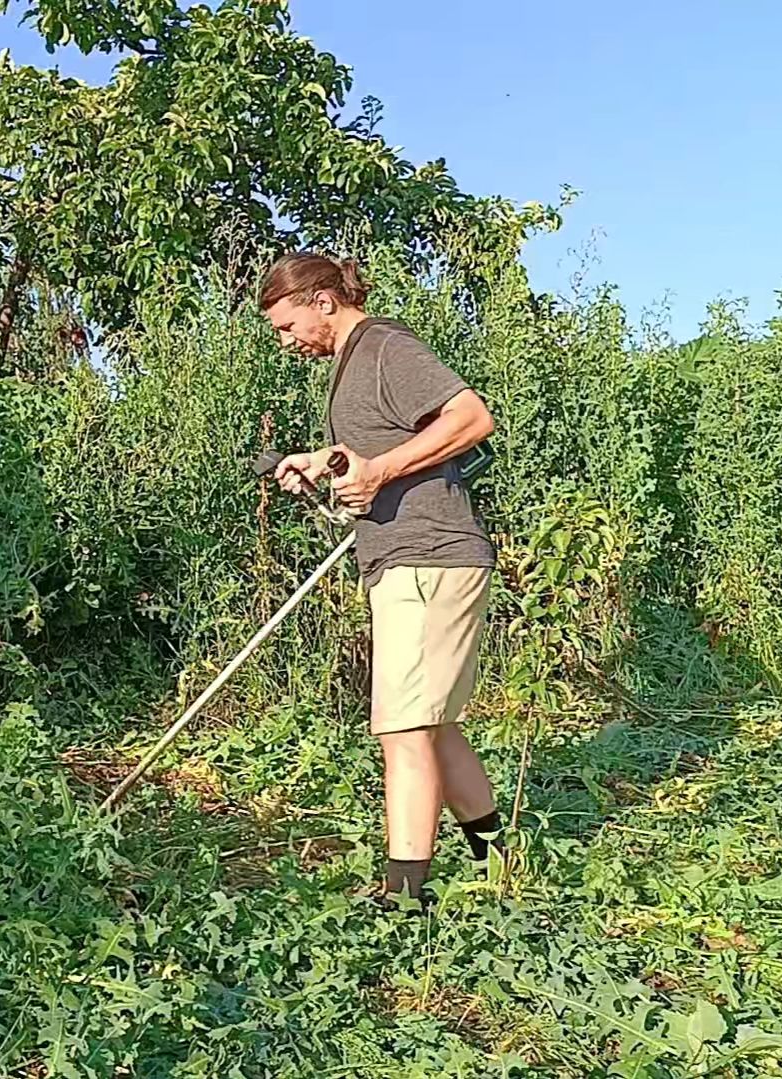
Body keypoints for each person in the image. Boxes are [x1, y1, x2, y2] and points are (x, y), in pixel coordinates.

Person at [258, 251, 505, 908]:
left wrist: (380, 471)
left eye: (288, 326)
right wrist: (328, 461)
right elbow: (374, 452)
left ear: (323, 300)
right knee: (433, 723)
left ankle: (404, 896)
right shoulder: (350, 364)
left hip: (429, 555)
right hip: (411, 558)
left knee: (402, 729)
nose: (287, 342)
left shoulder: (385, 345)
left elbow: (471, 417)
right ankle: (500, 861)